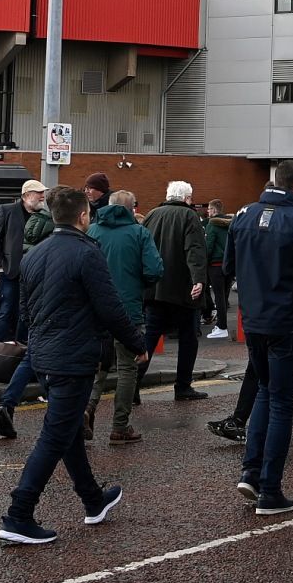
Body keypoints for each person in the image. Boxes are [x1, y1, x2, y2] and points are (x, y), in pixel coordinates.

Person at [0, 186, 146, 545]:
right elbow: (109, 307)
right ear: (83, 216)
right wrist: (136, 343)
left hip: (44, 355)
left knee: (67, 431)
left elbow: (26, 313)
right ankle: (19, 514)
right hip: (73, 356)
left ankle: (94, 500)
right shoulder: (86, 253)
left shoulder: (35, 254)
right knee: (54, 435)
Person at [229, 160, 293, 516]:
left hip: (252, 318)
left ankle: (251, 472)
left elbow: (228, 267)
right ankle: (270, 489)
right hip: (285, 318)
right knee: (282, 403)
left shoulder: (242, 214)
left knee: (265, 396)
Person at [84, 190, 163, 445]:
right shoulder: (139, 233)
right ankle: (120, 426)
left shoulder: (93, 231)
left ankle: (87, 408)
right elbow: (154, 269)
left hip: (96, 309)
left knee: (99, 366)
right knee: (128, 367)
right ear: (132, 209)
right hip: (128, 308)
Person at [142, 181, 210, 400]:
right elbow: (194, 250)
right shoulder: (190, 217)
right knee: (188, 338)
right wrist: (198, 280)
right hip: (183, 290)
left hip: (154, 289)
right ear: (187, 198)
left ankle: (132, 385)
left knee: (149, 338)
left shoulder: (152, 214)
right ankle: (183, 386)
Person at [0, 180, 48, 344]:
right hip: (11, 270)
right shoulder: (7, 210)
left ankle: (21, 349)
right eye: (39, 192)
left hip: (34, 273)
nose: (43, 196)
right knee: (5, 311)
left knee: (27, 313)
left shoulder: (43, 216)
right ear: (26, 195)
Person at [204, 200, 232, 339]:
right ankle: (222, 323)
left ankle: (222, 326)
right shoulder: (232, 223)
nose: (207, 211)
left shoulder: (212, 225)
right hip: (229, 265)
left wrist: (204, 263)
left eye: (209, 209)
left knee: (219, 296)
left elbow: (208, 246)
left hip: (215, 265)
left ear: (214, 210)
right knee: (224, 296)